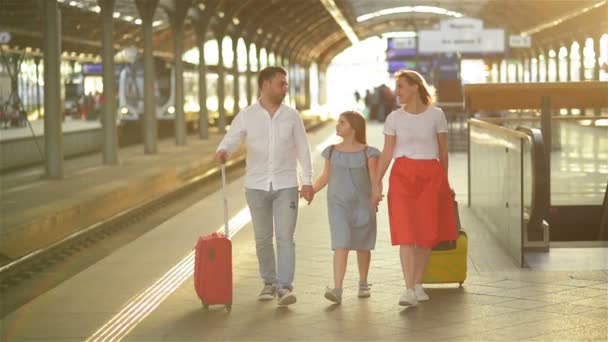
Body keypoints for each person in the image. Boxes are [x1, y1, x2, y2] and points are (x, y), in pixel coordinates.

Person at [215, 66, 314, 306]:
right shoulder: (247, 115)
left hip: (286, 184)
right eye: (282, 83)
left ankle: (285, 287)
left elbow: (303, 150)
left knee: (285, 237)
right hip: (256, 185)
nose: (286, 88)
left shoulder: (292, 116)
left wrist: (308, 181)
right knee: (262, 238)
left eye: (286, 83)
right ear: (266, 85)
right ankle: (268, 282)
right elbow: (233, 137)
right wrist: (223, 150)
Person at [373, 70, 457, 307]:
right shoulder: (394, 118)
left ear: (414, 87)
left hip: (431, 176)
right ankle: (409, 288)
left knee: (426, 235)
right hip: (402, 176)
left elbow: (443, 152)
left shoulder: (436, 115)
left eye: (400, 86)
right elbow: (387, 152)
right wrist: (377, 181)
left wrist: (446, 183)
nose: (396, 91)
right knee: (406, 234)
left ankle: (417, 284)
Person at [312, 111, 380, 304]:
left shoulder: (369, 152)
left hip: (362, 204)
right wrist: (311, 191)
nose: (338, 125)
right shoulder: (331, 151)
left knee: (362, 245)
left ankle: (363, 283)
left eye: (342, 122)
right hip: (338, 204)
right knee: (341, 243)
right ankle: (338, 289)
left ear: (353, 127)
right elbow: (324, 177)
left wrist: (376, 195)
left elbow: (375, 180)